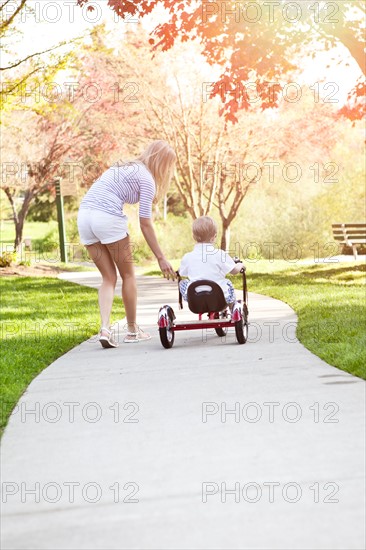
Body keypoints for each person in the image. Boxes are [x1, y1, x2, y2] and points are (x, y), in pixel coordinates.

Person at [77, 140, 177, 347]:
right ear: (164, 164)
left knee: (108, 277)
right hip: (107, 218)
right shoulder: (147, 179)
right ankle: (132, 330)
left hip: (84, 217)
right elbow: (145, 223)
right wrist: (161, 257)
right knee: (128, 275)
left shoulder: (121, 166)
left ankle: (105, 329)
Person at [178, 216, 244, 305]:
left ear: (193, 236)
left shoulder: (188, 257)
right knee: (227, 282)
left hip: (196, 299)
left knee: (183, 282)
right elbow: (234, 271)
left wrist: (180, 269)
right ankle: (233, 308)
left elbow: (182, 273)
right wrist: (240, 265)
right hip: (219, 298)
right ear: (214, 237)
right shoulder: (220, 254)